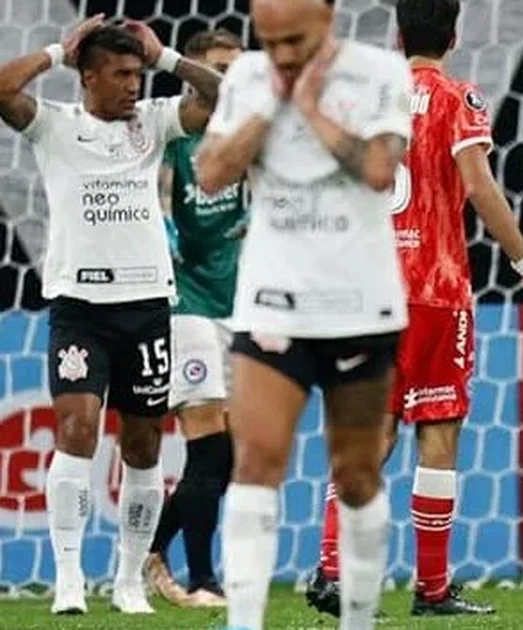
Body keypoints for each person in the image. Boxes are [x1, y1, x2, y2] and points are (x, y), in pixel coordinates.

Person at [305, 0, 523, 618]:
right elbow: (478, 185)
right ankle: (431, 589)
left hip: (371, 291)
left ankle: (330, 566)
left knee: (374, 432)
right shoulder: (455, 98)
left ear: (398, 34)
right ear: (453, 34)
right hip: (434, 288)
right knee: (439, 431)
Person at [195, 0, 413, 626]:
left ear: (329, 14)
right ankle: (244, 621)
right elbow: (211, 173)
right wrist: (270, 104)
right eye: (270, 40)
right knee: (256, 458)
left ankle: (360, 617)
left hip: (360, 306)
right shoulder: (245, 78)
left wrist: (311, 108)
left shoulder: (380, 73)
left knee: (356, 474)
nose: (283, 54)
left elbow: (377, 170)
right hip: (271, 299)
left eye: (295, 39)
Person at [0, 15, 220, 615]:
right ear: (88, 77)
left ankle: (127, 580)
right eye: (121, 75)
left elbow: (220, 98)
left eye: (137, 74)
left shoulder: (153, 122)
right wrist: (54, 50)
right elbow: (1, 91)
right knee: (77, 430)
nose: (133, 85)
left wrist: (166, 58)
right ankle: (68, 579)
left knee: (145, 445)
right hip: (79, 308)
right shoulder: (54, 126)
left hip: (147, 306)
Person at [143, 28, 246, 609]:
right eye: (216, 68)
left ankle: (151, 551)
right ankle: (202, 580)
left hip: (241, 309)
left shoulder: (249, 142)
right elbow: (159, 214)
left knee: (228, 456)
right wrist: (165, 232)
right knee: (209, 451)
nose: (227, 80)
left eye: (235, 67)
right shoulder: (174, 144)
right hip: (188, 307)